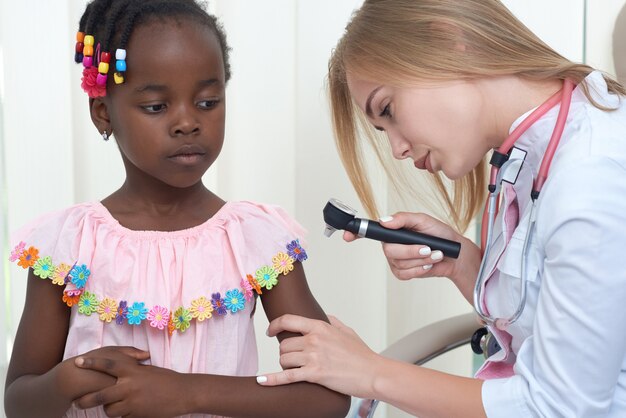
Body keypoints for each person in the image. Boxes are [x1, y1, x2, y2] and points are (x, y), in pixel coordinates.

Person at [256, 0, 626, 416]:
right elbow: (546, 328)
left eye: (388, 110)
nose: (396, 148)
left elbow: (558, 409)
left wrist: (369, 371)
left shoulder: (593, 175)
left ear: (447, 41)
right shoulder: (530, 157)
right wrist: (463, 264)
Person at [3, 1, 350, 417]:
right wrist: (68, 378)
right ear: (102, 114)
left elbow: (328, 396)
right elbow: (19, 402)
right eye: (156, 106)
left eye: (207, 102)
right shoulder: (68, 245)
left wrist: (187, 393)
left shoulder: (255, 240)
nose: (187, 123)